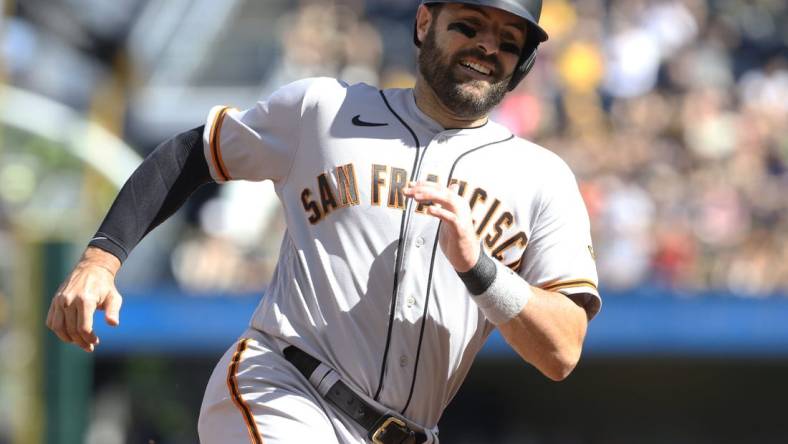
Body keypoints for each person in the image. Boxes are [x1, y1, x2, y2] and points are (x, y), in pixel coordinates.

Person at [45, 1, 600, 442]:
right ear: (425, 22)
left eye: (509, 40)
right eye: (470, 26)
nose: (487, 47)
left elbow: (561, 351)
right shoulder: (322, 110)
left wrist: (481, 268)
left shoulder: (542, 179)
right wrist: (100, 259)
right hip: (284, 386)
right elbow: (193, 154)